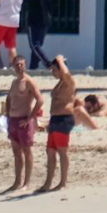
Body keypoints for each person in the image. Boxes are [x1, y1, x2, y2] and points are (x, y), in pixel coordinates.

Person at [40, 56, 84, 192]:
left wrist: (59, 60)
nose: (53, 72)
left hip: (64, 119)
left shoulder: (69, 81)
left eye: (54, 70)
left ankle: (63, 182)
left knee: (62, 151)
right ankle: (48, 182)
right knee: (50, 151)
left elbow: (65, 73)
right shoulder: (59, 83)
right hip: (55, 119)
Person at [2, 59, 40, 192]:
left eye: (21, 64)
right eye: (16, 65)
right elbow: (8, 99)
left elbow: (40, 100)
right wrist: (7, 115)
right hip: (13, 120)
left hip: (24, 121)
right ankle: (17, 181)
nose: (19, 67)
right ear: (13, 66)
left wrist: (30, 118)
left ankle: (26, 182)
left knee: (27, 151)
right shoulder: (14, 82)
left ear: (25, 65)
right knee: (16, 153)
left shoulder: (29, 81)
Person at [21, 0, 55, 68]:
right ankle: (33, 65)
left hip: (34, 19)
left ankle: (47, 62)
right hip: (47, 19)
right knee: (39, 43)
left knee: (34, 45)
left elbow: (26, 1)